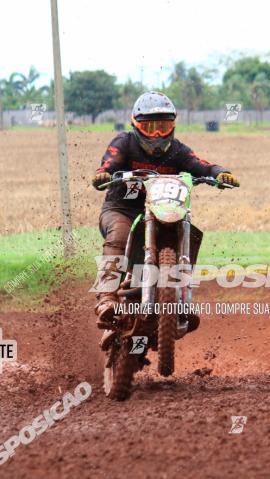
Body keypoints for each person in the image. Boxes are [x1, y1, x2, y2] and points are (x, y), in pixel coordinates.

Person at [91, 91, 239, 323]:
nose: (157, 134)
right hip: (122, 210)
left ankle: (180, 296)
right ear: (136, 125)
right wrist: (103, 174)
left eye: (163, 126)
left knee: (189, 231)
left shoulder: (177, 150)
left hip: (163, 212)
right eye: (150, 128)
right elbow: (109, 163)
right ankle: (107, 297)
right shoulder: (125, 143)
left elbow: (200, 165)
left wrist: (220, 174)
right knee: (120, 233)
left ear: (173, 126)